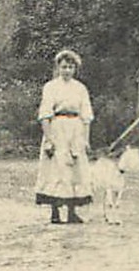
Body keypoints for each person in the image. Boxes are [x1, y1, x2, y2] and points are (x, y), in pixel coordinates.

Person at [34, 49, 94, 225]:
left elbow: (86, 115)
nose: (67, 70)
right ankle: (55, 212)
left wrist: (85, 139)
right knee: (57, 169)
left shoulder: (80, 88)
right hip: (57, 128)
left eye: (70, 67)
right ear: (58, 68)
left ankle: (72, 212)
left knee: (75, 169)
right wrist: (49, 139)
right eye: (64, 67)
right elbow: (45, 114)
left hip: (75, 129)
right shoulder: (51, 87)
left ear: (75, 69)